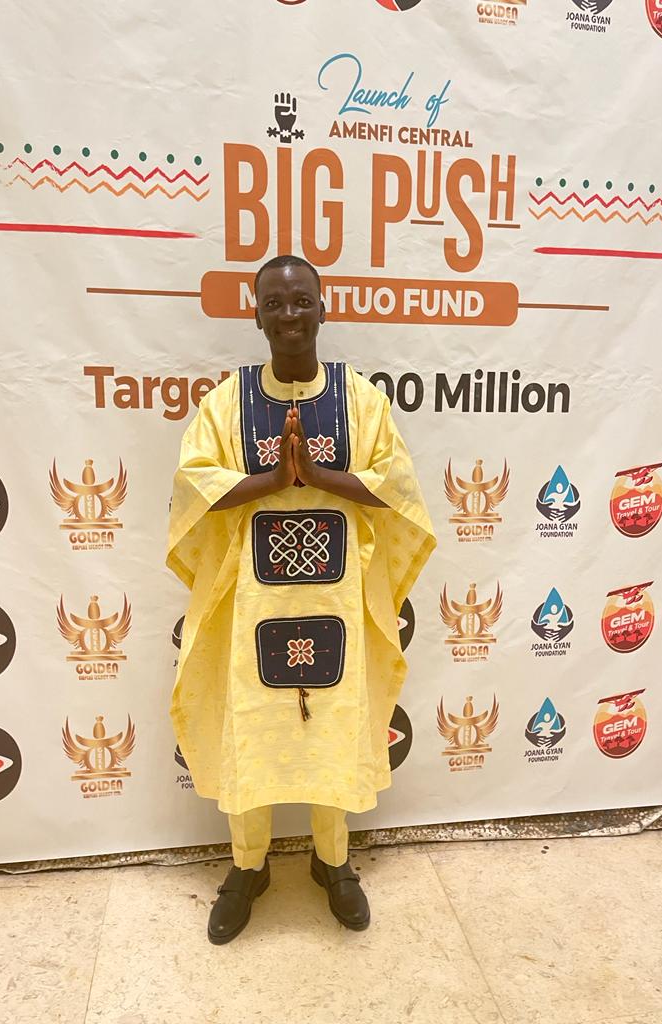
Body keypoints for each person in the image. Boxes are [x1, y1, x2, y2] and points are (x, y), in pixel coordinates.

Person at [167, 254, 435, 944]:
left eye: (301, 301)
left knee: (334, 728)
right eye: (274, 303)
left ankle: (333, 861)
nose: (289, 315)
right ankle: (247, 866)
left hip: (337, 599)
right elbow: (194, 483)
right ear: (256, 315)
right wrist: (269, 482)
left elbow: (396, 484)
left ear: (323, 308)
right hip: (253, 603)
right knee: (249, 728)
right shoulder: (226, 402)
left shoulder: (361, 400)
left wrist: (317, 475)